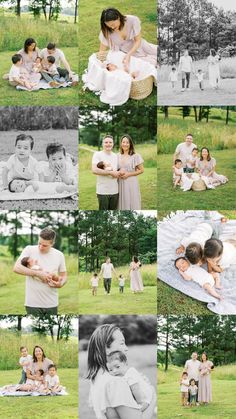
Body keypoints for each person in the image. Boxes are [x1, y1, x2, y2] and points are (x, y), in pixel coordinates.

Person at [87, 323, 156, 419]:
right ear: (106, 348)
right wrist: (152, 397)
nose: (126, 348)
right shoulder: (115, 382)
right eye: (122, 343)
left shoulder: (97, 377)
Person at [13, 228, 67, 315]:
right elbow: (16, 267)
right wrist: (38, 274)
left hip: (52, 303)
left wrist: (61, 284)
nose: (41, 247)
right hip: (32, 304)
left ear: (52, 243)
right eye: (39, 243)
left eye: (45, 245)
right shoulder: (29, 250)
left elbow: (64, 276)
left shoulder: (59, 255)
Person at [92, 135, 120, 210]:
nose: (108, 144)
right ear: (102, 144)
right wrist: (110, 173)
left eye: (110, 142)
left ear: (113, 144)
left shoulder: (116, 156)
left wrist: (118, 174)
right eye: (106, 142)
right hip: (102, 191)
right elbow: (94, 170)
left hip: (115, 190)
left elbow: (118, 171)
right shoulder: (97, 154)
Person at [118, 135, 144, 210]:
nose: (125, 144)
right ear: (121, 143)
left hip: (131, 182)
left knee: (131, 200)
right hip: (120, 182)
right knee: (121, 201)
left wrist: (128, 174)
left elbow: (141, 170)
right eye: (123, 142)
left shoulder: (136, 156)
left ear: (130, 144)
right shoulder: (117, 155)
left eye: (127, 142)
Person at [8, 178, 76, 194]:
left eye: (18, 182)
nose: (18, 185)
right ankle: (74, 188)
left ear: (21, 180)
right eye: (16, 188)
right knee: (63, 187)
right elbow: (36, 187)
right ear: (18, 192)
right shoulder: (27, 191)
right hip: (53, 190)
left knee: (64, 184)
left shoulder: (28, 184)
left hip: (51, 185)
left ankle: (72, 184)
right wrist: (31, 182)